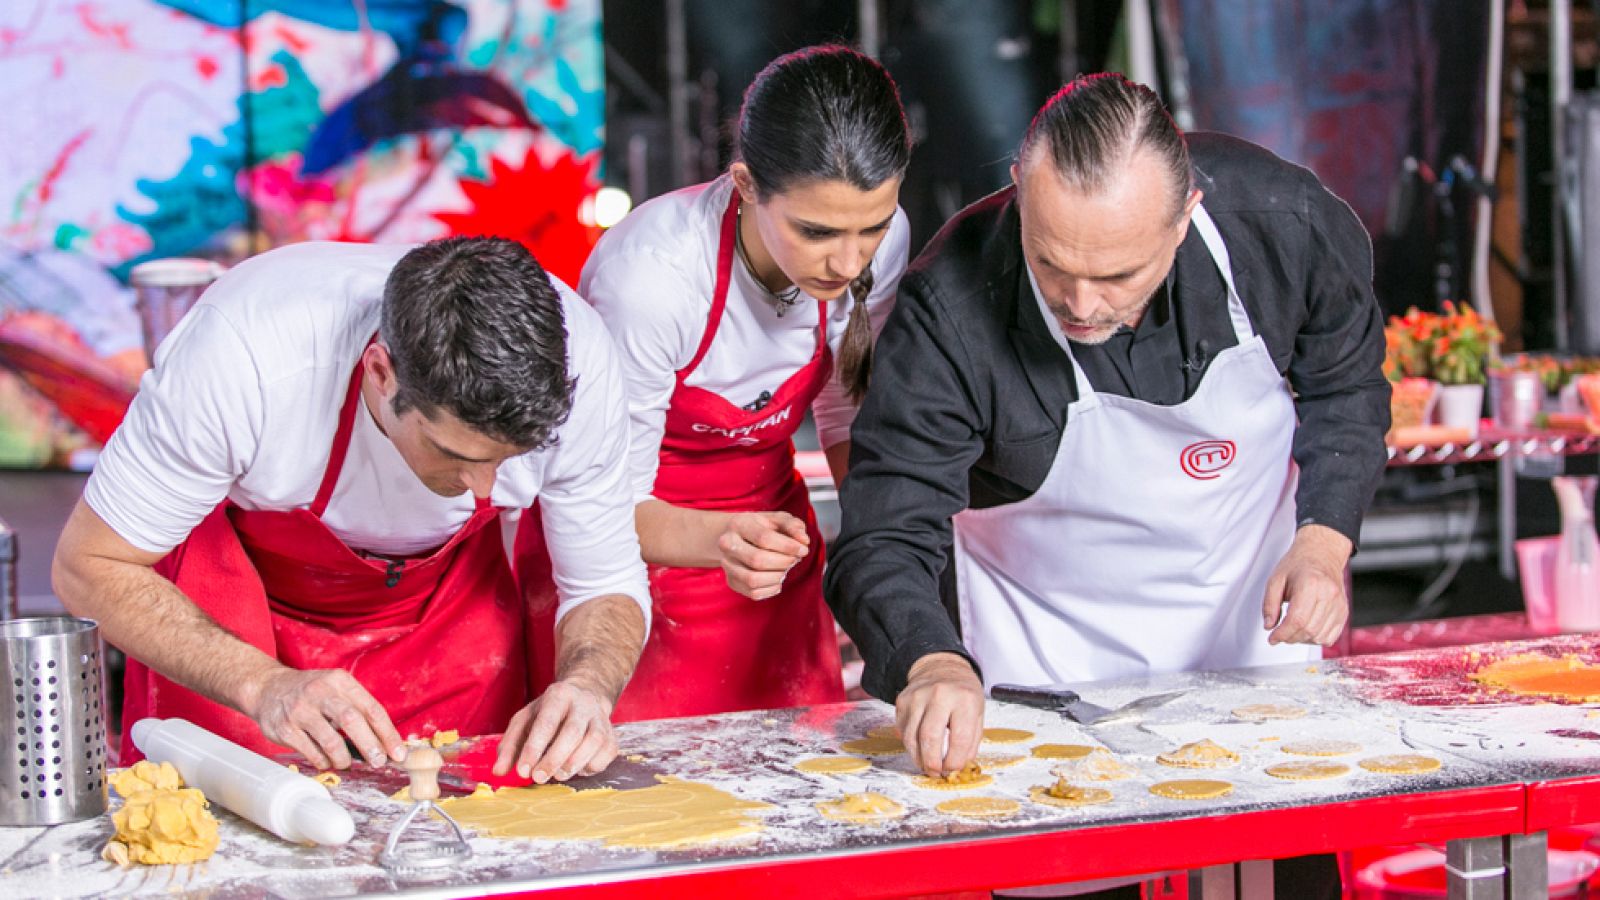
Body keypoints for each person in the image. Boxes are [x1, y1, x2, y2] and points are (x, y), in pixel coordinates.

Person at [825, 74, 1388, 896]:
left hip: (1249, 641)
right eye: (1051, 263)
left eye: (1120, 275)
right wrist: (929, 661)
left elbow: (1349, 383)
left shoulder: (1281, 226)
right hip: (1044, 670)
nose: (1081, 305)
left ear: (1187, 212)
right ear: (1020, 193)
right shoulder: (951, 304)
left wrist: (1323, 537)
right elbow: (884, 529)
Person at [53, 237, 651, 785]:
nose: (482, 487)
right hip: (240, 603)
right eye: (455, 454)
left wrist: (589, 686)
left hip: (443, 609)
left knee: (459, 821)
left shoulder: (581, 364)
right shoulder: (245, 352)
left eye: (513, 458)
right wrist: (261, 683)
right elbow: (88, 565)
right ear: (380, 373)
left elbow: (603, 580)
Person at [517, 45, 912, 721]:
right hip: (628, 562)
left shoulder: (881, 240)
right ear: (746, 184)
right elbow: (599, 503)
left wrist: (886, 559)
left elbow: (847, 419)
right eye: (815, 231)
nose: (848, 260)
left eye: (870, 228)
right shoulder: (651, 280)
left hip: (770, 553)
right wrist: (723, 541)